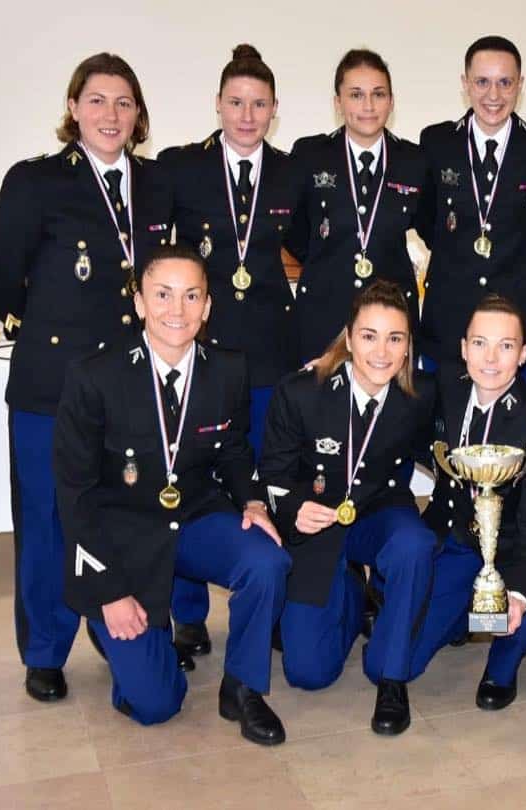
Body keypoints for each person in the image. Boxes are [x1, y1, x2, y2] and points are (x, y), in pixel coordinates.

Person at [0, 52, 173, 702]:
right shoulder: (36, 182)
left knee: (128, 515)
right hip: (50, 388)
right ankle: (44, 651)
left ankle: (129, 626)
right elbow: (0, 276)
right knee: (46, 522)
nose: (110, 114)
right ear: (72, 108)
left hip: (131, 393)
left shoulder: (156, 185)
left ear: (138, 114)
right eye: (96, 100)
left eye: (123, 102)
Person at [53, 245, 290, 744]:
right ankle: (109, 626)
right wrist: (111, 594)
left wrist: (251, 500)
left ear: (207, 306)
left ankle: (243, 688)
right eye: (162, 295)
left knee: (267, 559)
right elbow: (75, 496)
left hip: (197, 519)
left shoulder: (228, 369)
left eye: (191, 297)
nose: (176, 311)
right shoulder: (94, 376)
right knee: (158, 704)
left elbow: (232, 451)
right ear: (139, 301)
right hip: (122, 540)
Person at [159, 43, 302, 660]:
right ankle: (188, 613)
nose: (247, 115)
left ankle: (267, 600)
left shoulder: (293, 173)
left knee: (267, 475)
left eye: (260, 104)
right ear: (218, 104)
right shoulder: (180, 168)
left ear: (275, 110)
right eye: (236, 102)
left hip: (271, 350)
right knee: (192, 478)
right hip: (202, 350)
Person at [260, 280, 438, 735]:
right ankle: (354, 595)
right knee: (308, 674)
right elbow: (273, 476)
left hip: (377, 512)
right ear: (349, 336)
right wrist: (294, 507)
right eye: (369, 336)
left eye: (395, 338)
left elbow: (440, 451)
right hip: (315, 525)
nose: (382, 351)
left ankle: (392, 678)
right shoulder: (301, 391)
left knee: (415, 543)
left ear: (407, 346)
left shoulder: (418, 396)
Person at [422, 294, 526, 709]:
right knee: (394, 666)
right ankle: (458, 620)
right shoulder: (445, 390)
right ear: (464, 348)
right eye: (480, 343)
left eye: (506, 346)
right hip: (453, 543)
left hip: (509, 553)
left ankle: (504, 658)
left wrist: (517, 595)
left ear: (523, 355)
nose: (491, 358)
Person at [417, 35, 526, 400]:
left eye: (505, 82)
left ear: (520, 85)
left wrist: (525, 265)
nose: (493, 95)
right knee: (446, 441)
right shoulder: (436, 142)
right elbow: (426, 221)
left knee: (525, 442)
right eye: (482, 82)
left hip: (521, 320)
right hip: (451, 319)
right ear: (465, 83)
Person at [288, 49, 429, 362]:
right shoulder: (310, 155)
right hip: (324, 315)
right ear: (338, 102)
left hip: (391, 321)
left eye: (378, 94)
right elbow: (295, 233)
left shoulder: (413, 161)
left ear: (391, 102)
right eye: (356, 95)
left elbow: (432, 226)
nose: (368, 106)